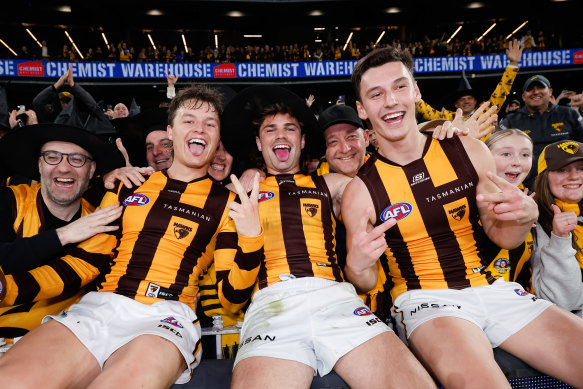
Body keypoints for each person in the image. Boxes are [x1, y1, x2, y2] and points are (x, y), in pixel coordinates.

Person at [344, 46, 583, 388]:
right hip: (425, 300)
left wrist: (523, 217)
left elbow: (501, 236)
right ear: (362, 109)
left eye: (399, 87)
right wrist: (356, 264)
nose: (391, 101)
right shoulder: (361, 190)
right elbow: (364, 280)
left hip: (491, 287)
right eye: (376, 94)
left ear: (416, 91)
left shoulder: (468, 149)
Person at [0, 85, 264, 387]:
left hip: (168, 316)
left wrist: (252, 238)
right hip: (103, 305)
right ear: (171, 132)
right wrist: (5, 287)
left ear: (218, 138)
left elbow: (231, 299)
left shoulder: (229, 203)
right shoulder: (128, 186)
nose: (200, 128)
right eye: (189, 120)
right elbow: (86, 263)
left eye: (210, 123)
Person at [219, 85, 435, 388]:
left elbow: (388, 190)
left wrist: (436, 139)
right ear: (258, 142)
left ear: (303, 139)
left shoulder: (330, 183)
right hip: (271, 304)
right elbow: (229, 302)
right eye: (270, 130)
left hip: (335, 298)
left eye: (289, 128)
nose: (280, 136)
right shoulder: (236, 196)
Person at [0, 123, 125, 338]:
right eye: (52, 157)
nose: (64, 168)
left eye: (77, 159)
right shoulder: (9, 201)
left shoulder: (101, 221)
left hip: (54, 344)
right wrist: (64, 235)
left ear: (92, 169)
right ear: (39, 164)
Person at [499, 74, 583, 188]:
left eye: (540, 88)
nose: (535, 92)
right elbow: (498, 153)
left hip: (567, 186)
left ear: (550, 92)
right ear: (523, 96)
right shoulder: (511, 121)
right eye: (530, 89)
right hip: (527, 189)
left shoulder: (569, 114)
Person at [532, 140, 583, 317]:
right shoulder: (533, 223)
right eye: (562, 169)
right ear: (544, 177)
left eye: (581, 168)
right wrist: (560, 239)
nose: (574, 176)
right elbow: (564, 303)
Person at [416, 39, 523, 121]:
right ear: (456, 104)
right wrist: (413, 93)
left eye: (469, 98)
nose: (466, 101)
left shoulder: (485, 112)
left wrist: (513, 65)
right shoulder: (448, 118)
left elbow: (501, 92)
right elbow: (427, 111)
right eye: (462, 99)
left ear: (475, 101)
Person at [483, 129, 535, 287]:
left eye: (525, 155)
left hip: (516, 300)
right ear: (484, 156)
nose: (517, 162)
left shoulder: (531, 200)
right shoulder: (465, 198)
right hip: (470, 302)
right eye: (506, 154)